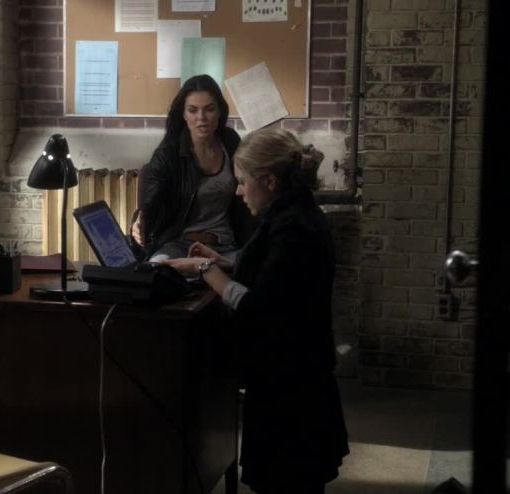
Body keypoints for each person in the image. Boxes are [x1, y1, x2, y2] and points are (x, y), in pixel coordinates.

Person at [163, 128, 349, 493]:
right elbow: (275, 273)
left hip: (291, 393)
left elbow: (258, 307)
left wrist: (206, 270)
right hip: (296, 380)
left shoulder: (294, 228)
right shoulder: (294, 214)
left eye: (242, 181)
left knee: (284, 483)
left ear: (269, 181)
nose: (238, 191)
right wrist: (227, 262)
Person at [132, 74, 257, 262]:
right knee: (157, 270)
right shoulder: (168, 155)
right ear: (183, 114)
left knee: (255, 271)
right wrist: (140, 220)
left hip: (225, 245)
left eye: (209, 109)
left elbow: (247, 200)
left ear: (220, 111)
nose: (201, 118)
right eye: (192, 110)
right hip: (179, 245)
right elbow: (152, 201)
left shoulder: (230, 142)